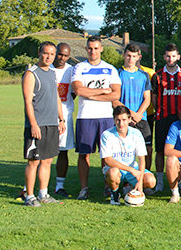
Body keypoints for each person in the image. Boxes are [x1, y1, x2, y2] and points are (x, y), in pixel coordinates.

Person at [71, 36, 121, 200]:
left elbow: (116, 94)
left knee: (106, 155)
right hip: (85, 117)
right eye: (90, 48)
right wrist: (103, 92)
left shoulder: (110, 69)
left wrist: (92, 94)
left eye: (96, 48)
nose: (93, 51)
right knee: (84, 154)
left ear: (101, 49)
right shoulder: (79, 67)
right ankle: (84, 189)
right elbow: (78, 91)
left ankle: (107, 187)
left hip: (106, 117)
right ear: (86, 49)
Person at [21, 41, 66, 206]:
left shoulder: (53, 73)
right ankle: (30, 196)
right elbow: (27, 102)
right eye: (46, 53)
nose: (49, 57)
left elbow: (57, 99)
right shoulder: (31, 74)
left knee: (47, 160)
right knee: (34, 161)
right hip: (37, 125)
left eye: (52, 54)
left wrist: (61, 119)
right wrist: (33, 124)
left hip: (52, 125)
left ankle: (43, 194)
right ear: (39, 53)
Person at [151, 43, 181, 193]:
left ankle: (179, 180)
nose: (171, 59)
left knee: (178, 149)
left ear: (178, 57)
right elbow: (154, 98)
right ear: (164, 57)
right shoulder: (157, 76)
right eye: (168, 56)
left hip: (179, 119)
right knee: (161, 150)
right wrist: (160, 110)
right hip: (163, 117)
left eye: (173, 56)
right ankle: (160, 182)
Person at [100, 106, 157, 205]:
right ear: (114, 119)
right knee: (113, 173)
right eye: (118, 120)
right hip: (116, 168)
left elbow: (141, 158)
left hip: (132, 168)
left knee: (151, 181)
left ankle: (130, 188)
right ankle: (115, 194)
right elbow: (108, 160)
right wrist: (131, 170)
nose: (121, 123)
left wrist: (140, 180)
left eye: (124, 120)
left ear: (129, 119)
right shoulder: (106, 135)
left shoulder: (136, 133)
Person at [113, 44, 153, 183]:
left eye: (134, 56)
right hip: (123, 120)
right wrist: (130, 115)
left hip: (141, 118)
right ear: (124, 55)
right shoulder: (117, 73)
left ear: (139, 57)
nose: (131, 58)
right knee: (120, 151)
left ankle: (143, 178)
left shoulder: (144, 75)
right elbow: (114, 99)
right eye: (128, 55)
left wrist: (138, 114)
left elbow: (147, 98)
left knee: (147, 149)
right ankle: (119, 181)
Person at [52, 42, 75, 198]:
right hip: (45, 116)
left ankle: (59, 186)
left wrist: (64, 106)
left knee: (63, 151)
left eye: (66, 55)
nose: (62, 58)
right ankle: (33, 186)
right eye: (60, 54)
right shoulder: (45, 68)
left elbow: (74, 92)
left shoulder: (71, 70)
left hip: (65, 117)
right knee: (41, 153)